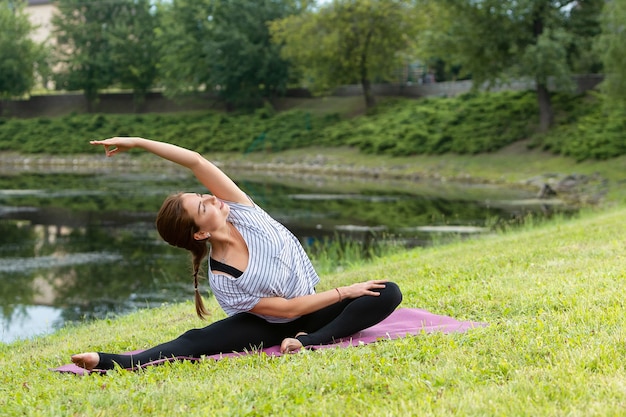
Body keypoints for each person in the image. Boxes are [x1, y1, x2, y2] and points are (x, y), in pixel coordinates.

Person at [71, 137, 403, 371]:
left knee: (387, 292)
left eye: (205, 195)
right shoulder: (223, 278)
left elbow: (195, 160)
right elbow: (287, 310)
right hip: (269, 325)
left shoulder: (241, 209)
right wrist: (345, 291)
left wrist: (139, 143)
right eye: (205, 205)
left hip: (312, 311)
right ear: (200, 233)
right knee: (193, 342)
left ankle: (308, 341)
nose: (215, 199)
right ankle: (109, 361)